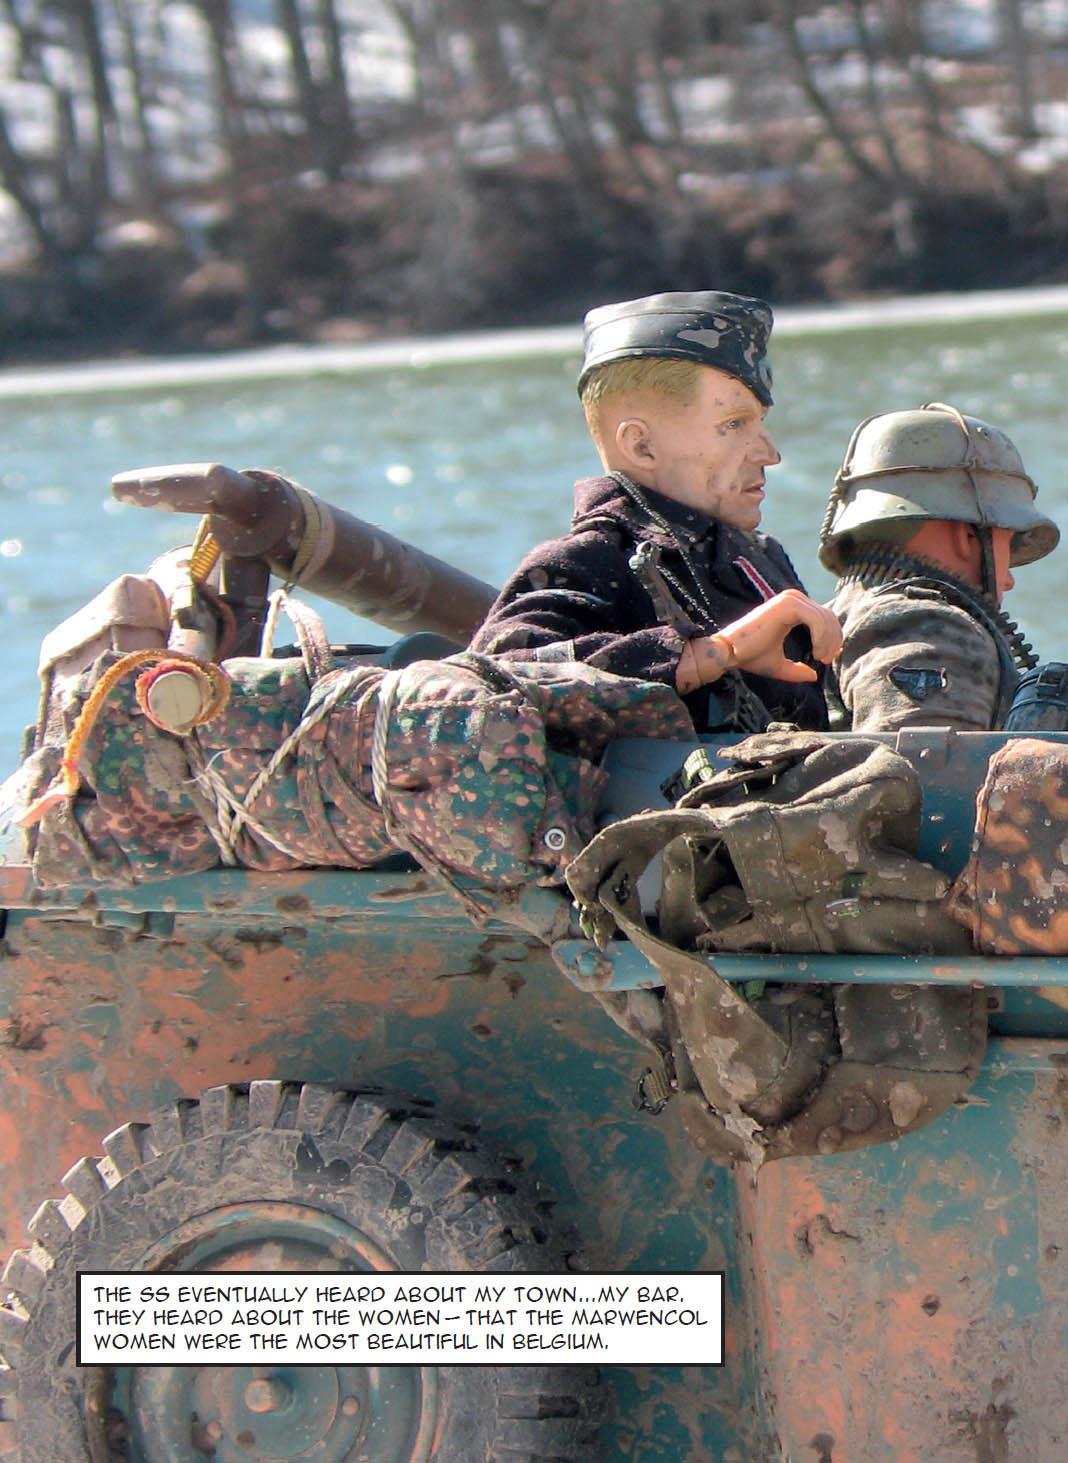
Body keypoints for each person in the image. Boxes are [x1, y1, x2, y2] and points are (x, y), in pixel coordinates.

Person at [470, 291, 842, 733]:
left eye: (760, 423)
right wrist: (713, 654)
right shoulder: (586, 563)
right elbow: (492, 687)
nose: (769, 452)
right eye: (734, 424)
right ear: (641, 446)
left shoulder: (756, 558)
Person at [819, 401, 1059, 732]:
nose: (1008, 581)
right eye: (1008, 543)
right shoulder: (930, 625)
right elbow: (933, 774)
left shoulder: (844, 612)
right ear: (966, 537)